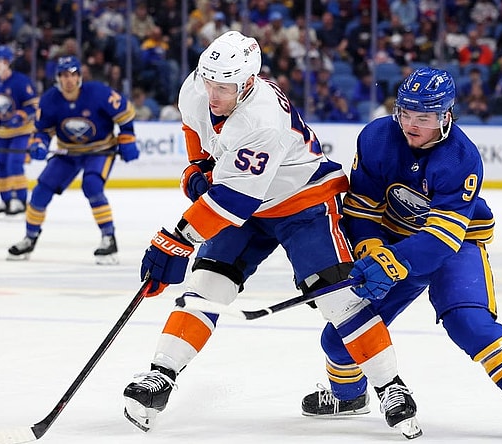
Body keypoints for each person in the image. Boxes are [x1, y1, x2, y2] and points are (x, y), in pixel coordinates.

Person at [122, 31, 420, 440]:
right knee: (206, 286)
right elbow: (194, 125)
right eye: (209, 81)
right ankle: (161, 375)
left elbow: (232, 201)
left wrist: (176, 238)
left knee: (338, 297)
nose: (213, 92)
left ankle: (390, 387)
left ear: (246, 83)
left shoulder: (262, 119)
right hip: (250, 199)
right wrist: (198, 164)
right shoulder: (198, 85)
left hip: (303, 200)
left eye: (223, 87)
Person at [299, 67, 502, 442]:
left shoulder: (461, 157)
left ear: (445, 116)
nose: (410, 124)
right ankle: (349, 397)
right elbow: (360, 210)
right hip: (394, 241)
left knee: (469, 324)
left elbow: (442, 239)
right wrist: (373, 249)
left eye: (423, 117)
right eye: (405, 113)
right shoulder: (377, 136)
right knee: (340, 337)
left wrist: (392, 263)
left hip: (455, 246)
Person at [7, 55, 139, 264]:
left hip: (99, 150)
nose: (68, 80)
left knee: (92, 185)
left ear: (79, 77)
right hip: (68, 152)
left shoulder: (99, 93)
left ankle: (108, 238)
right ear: (58, 78)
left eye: (73, 74)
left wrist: (127, 138)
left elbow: (125, 114)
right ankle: (30, 238)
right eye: (64, 75)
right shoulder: (49, 100)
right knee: (40, 191)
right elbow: (42, 131)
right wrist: (38, 144)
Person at [0, 45, 39, 217]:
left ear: (6, 62)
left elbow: (34, 106)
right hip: (3, 132)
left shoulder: (21, 81)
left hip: (22, 131)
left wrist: (20, 116)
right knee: (0, 164)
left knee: (14, 163)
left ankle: (20, 201)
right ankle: (5, 200)